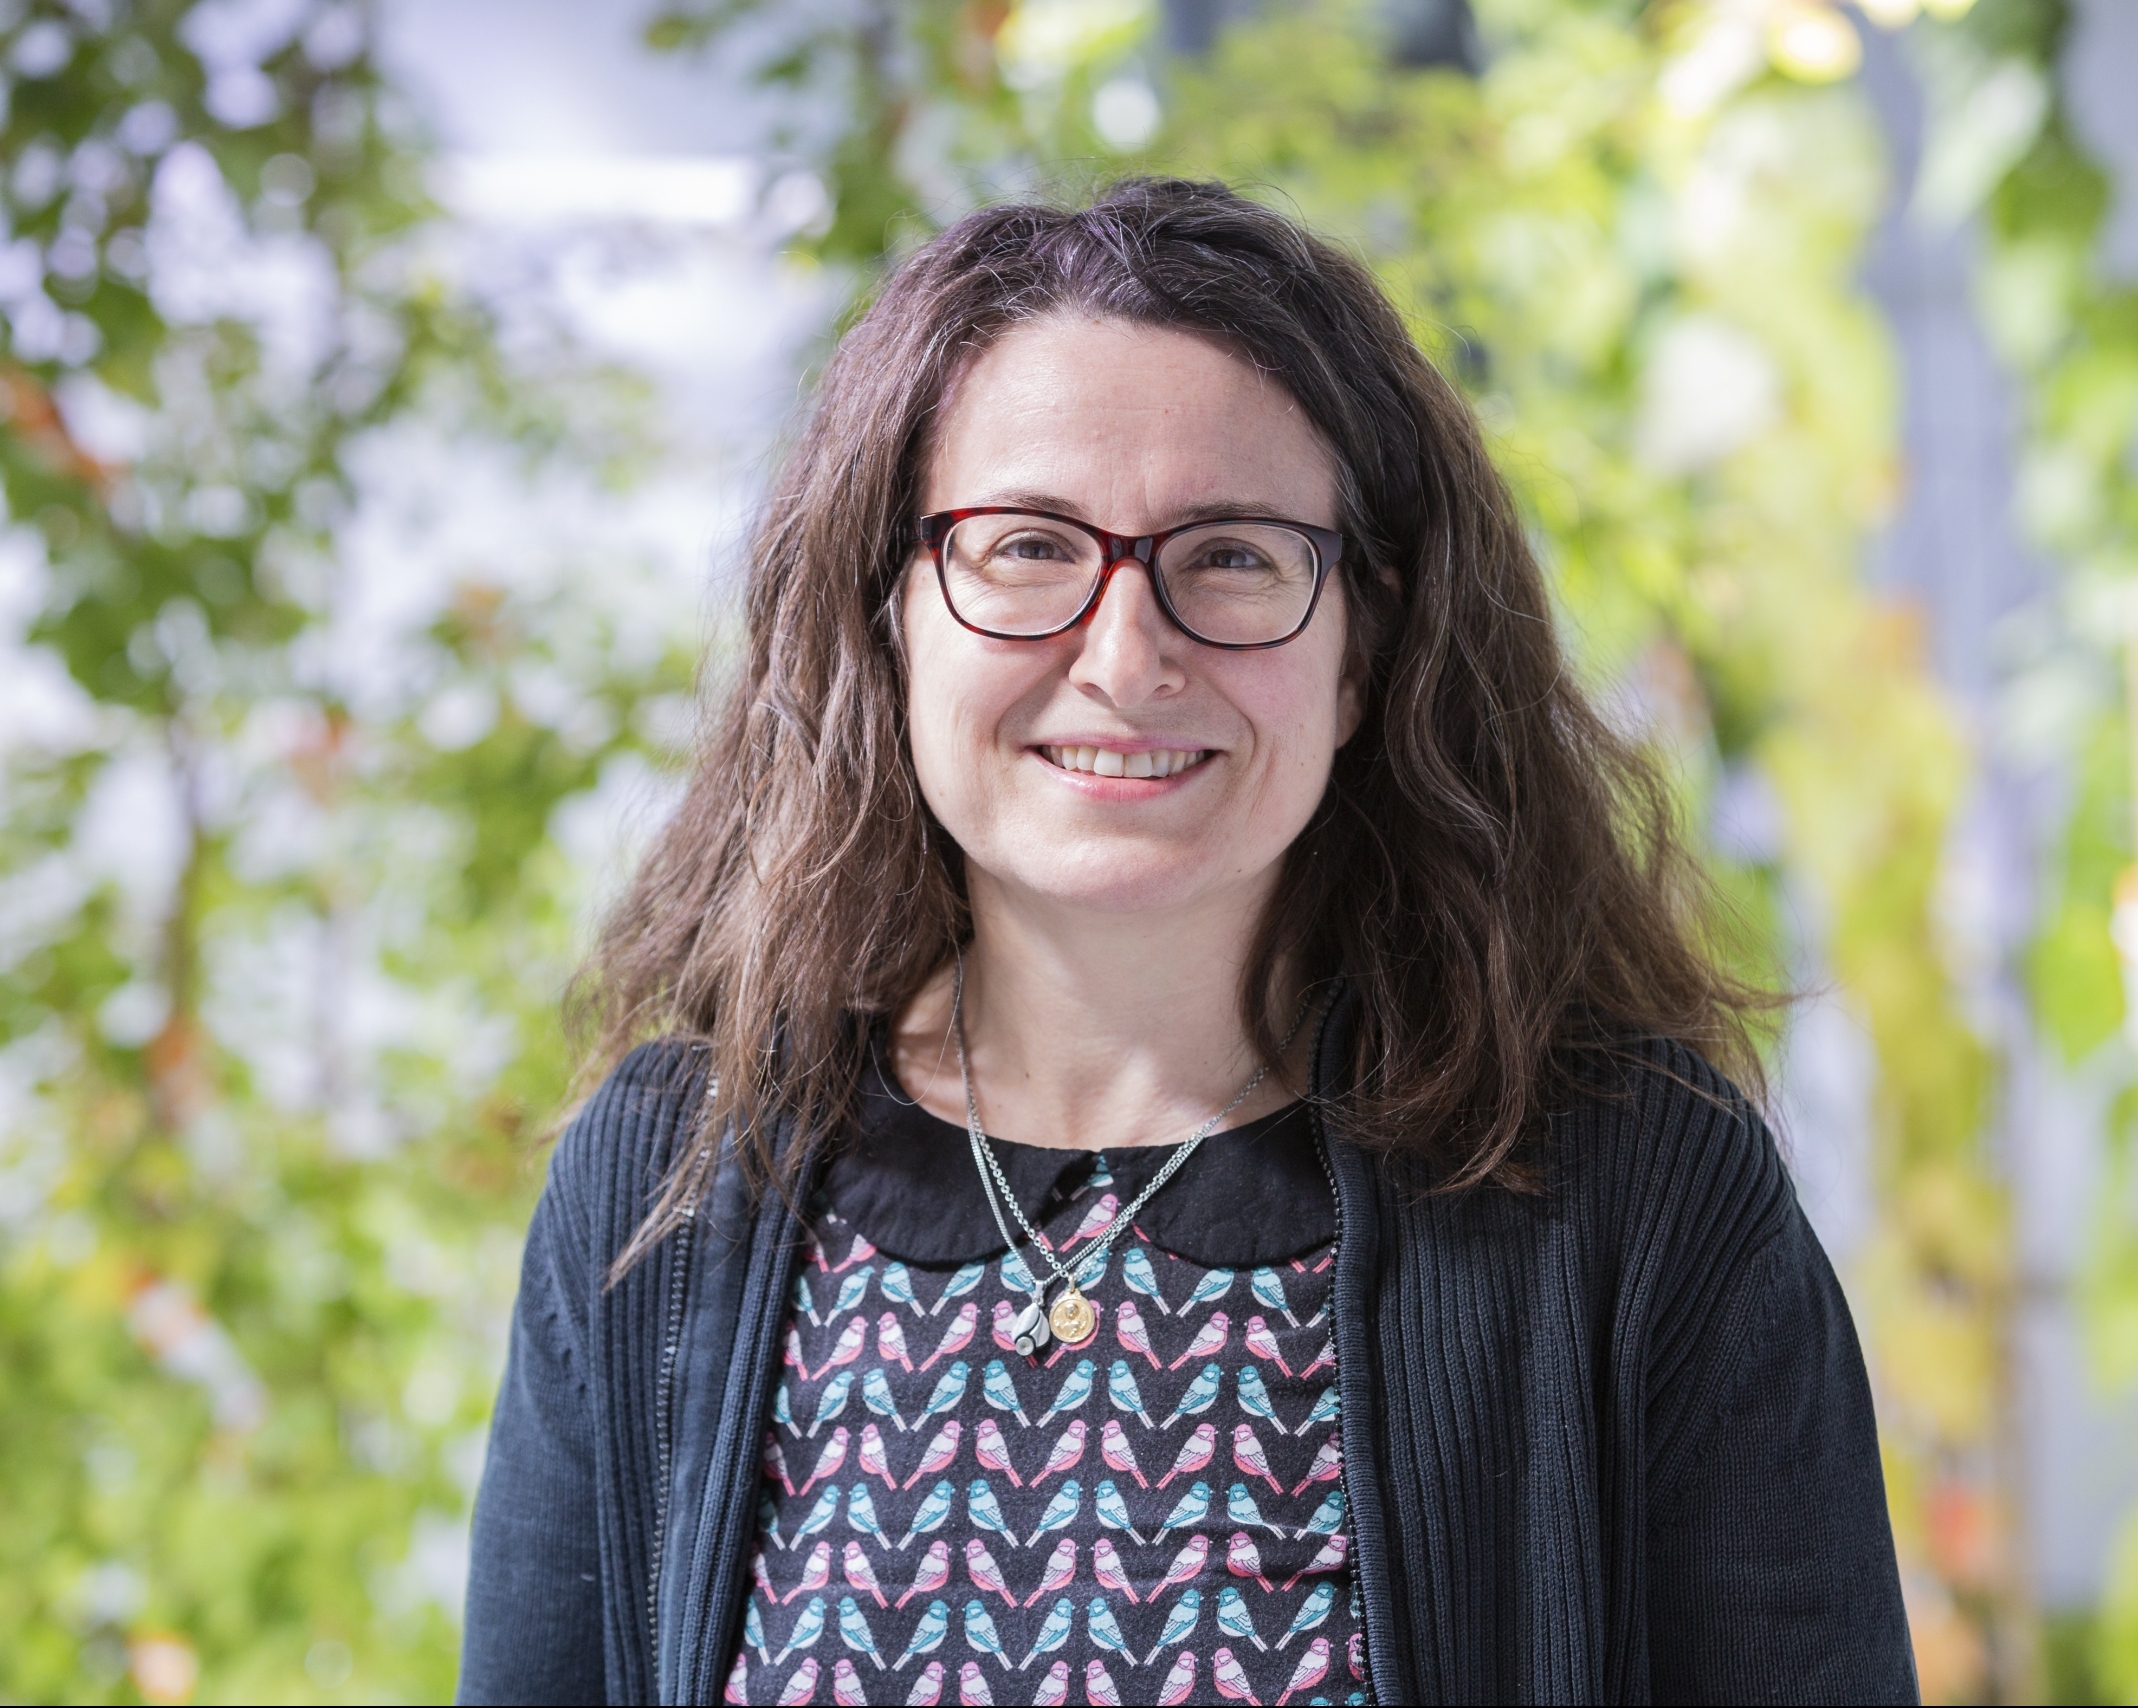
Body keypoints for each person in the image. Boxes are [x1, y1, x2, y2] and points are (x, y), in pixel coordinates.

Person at [457, 178, 1917, 1706]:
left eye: (1229, 556)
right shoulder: (668, 1186)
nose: (1124, 654)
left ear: (1366, 646)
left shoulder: (1634, 1190)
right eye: (1024, 547)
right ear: (885, 615)